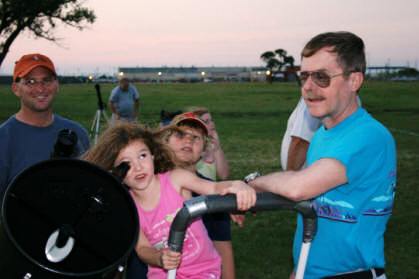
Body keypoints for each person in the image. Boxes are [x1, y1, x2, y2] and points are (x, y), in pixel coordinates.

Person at [247, 31, 396, 278]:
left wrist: (251, 184)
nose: (307, 87)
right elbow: (313, 207)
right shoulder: (322, 136)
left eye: (321, 77)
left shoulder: (369, 136)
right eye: (304, 76)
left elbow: (298, 187)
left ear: (354, 81)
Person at [83, 123, 256, 279]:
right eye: (126, 163)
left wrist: (236, 185)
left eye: (142, 156)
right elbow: (142, 249)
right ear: (116, 172)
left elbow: (214, 188)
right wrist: (158, 257)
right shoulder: (128, 207)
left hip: (202, 271)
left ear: (152, 155)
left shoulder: (176, 179)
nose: (137, 167)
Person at [0, 53, 90, 204]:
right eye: (30, 82)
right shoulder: (4, 138)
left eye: (47, 80)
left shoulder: (77, 134)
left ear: (57, 85)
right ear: (16, 89)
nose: (40, 88)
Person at [157, 112, 236, 279]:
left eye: (196, 137)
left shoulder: (212, 192)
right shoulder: (149, 183)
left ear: (204, 150)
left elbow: (223, 251)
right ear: (166, 141)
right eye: (180, 134)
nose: (188, 140)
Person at [189, 107, 230, 180]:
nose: (212, 124)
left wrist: (217, 148)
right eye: (206, 121)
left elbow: (224, 176)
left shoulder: (212, 146)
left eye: (212, 120)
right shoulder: (190, 146)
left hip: (211, 190)